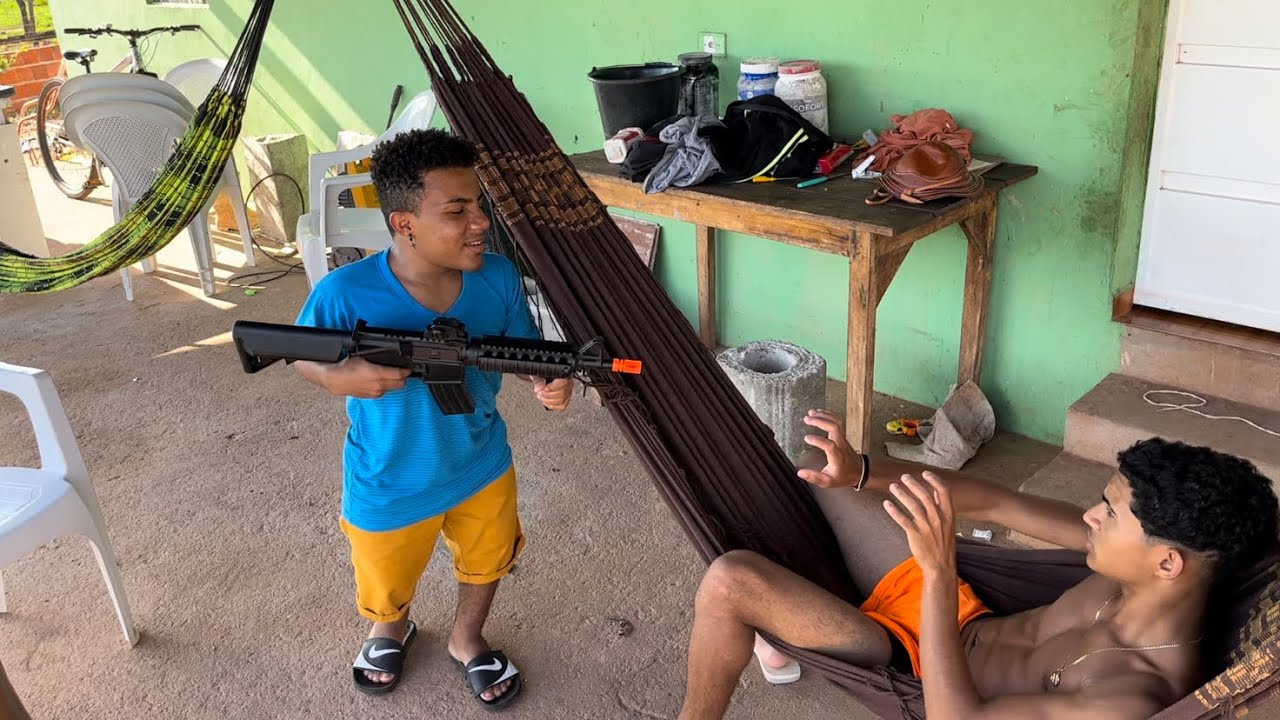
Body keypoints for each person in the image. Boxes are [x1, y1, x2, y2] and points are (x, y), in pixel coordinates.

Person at [678, 409, 1279, 720]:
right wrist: (861, 471)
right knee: (811, 471)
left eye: (1111, 513)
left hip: (912, 663)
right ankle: (779, 637)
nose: (1091, 517)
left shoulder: (1129, 697)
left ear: (1168, 563)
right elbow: (996, 501)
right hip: (956, 610)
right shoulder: (1127, 569)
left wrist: (941, 573)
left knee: (732, 580)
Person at [295, 128, 572, 709]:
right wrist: (340, 377)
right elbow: (301, 354)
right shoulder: (345, 293)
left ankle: (466, 638)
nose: (481, 223)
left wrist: (545, 377)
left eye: (480, 205)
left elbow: (517, 347)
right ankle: (389, 628)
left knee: (487, 559)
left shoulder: (495, 277)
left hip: (480, 461)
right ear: (404, 224)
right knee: (385, 575)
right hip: (389, 475)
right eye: (457, 210)